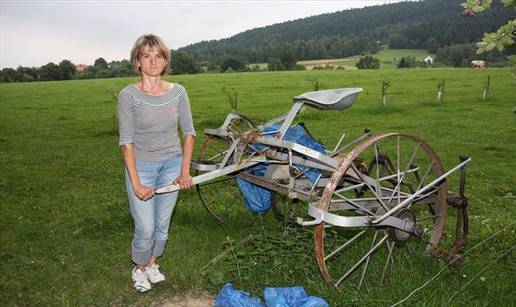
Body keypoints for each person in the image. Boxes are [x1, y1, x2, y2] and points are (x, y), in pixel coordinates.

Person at [117, 34, 196, 292]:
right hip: (141, 166)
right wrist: (137, 183)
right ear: (137, 62)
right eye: (146, 55)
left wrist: (184, 171)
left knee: (163, 223)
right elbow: (126, 143)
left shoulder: (178, 92)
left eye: (158, 55)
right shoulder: (128, 95)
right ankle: (138, 269)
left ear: (165, 61)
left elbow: (189, 133)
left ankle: (151, 263)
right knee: (146, 227)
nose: (153, 60)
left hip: (172, 164)